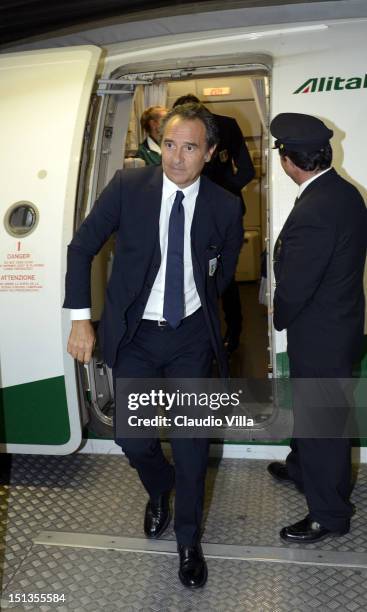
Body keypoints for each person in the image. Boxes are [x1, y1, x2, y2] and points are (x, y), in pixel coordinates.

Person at [64, 103, 243, 587]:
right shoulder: (128, 188)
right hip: (137, 336)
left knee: (190, 447)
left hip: (189, 339)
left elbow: (222, 273)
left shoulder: (226, 206)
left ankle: (188, 541)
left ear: (209, 153)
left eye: (189, 148)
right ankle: (158, 488)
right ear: (158, 145)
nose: (177, 158)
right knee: (133, 438)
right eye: (169, 145)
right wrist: (81, 320)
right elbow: (81, 249)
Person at [267, 112, 367, 543]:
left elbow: (297, 283)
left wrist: (277, 315)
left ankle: (329, 515)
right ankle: (301, 468)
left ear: (289, 161)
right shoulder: (344, 192)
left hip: (320, 333)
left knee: (323, 422)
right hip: (339, 325)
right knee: (313, 411)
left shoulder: (316, 207)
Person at [173, 94, 255, 354]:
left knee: (222, 273)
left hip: (222, 212)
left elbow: (246, 171)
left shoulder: (226, 126)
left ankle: (233, 332)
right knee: (191, 271)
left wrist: (219, 197)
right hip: (187, 211)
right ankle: (202, 335)